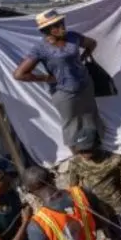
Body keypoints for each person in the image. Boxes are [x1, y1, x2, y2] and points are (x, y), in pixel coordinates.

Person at [14, 9, 101, 147]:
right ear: (46, 30)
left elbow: (92, 43)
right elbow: (19, 74)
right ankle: (78, 154)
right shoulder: (41, 49)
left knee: (90, 115)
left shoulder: (73, 37)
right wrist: (46, 78)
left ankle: (95, 146)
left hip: (85, 84)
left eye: (62, 22)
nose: (62, 27)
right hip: (64, 92)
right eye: (56, 25)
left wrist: (83, 59)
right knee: (72, 124)